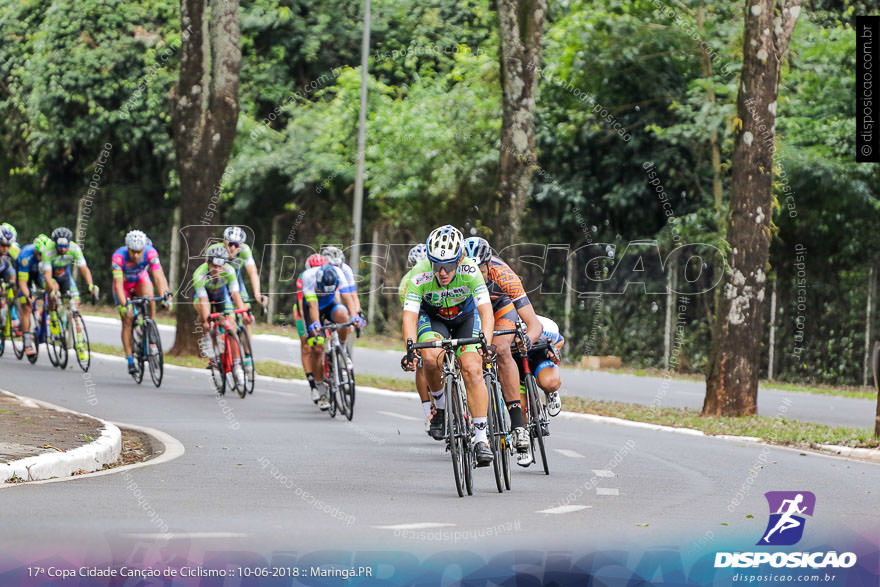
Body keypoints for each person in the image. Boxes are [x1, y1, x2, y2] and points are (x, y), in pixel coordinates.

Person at [401, 225, 496, 466]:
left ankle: (481, 438)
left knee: (473, 368)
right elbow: (410, 317)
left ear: (460, 259)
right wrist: (410, 349)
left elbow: (486, 311)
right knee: (430, 357)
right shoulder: (419, 274)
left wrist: (486, 343)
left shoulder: (470, 270)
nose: (442, 272)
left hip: (466, 318)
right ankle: (441, 407)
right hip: (433, 318)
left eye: (449, 266)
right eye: (436, 265)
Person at [463, 236, 547, 457]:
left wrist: (527, 339)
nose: (475, 276)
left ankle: (518, 424)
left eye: (479, 270)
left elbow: (534, 324)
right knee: (469, 356)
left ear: (489, 265)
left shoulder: (504, 275)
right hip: (472, 311)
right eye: (469, 269)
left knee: (501, 350)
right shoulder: (457, 276)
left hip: (500, 308)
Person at [111, 230, 172, 375]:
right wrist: (124, 305)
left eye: (140, 251)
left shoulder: (151, 252)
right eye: (133, 252)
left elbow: (159, 276)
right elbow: (118, 284)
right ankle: (130, 359)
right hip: (124, 285)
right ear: (128, 248)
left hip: (139, 280)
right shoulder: (118, 257)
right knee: (127, 320)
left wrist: (166, 295)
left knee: (149, 295)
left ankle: (150, 325)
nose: (137, 255)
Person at [194, 244, 252, 388]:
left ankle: (238, 367)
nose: (218, 270)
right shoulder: (199, 274)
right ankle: (210, 347)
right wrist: (208, 319)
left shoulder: (230, 270)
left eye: (221, 266)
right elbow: (204, 301)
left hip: (222, 296)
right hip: (204, 297)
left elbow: (235, 294)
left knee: (230, 325)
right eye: (214, 266)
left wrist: (243, 312)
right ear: (208, 262)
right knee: (205, 320)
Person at [301, 262, 355, 410]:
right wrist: (317, 324)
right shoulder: (309, 277)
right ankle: (321, 391)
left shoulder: (338, 273)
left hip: (330, 304)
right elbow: (313, 306)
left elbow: (347, 296)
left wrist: (355, 316)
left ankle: (342, 350)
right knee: (317, 348)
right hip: (312, 307)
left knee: (344, 317)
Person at [398, 243, 436, 437]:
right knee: (422, 361)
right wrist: (412, 349)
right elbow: (410, 315)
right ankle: (428, 412)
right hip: (422, 316)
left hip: (443, 312)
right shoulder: (407, 283)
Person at [41, 228, 99, 333]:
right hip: (51, 276)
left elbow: (84, 269)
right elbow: (47, 276)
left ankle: (79, 341)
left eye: (65, 246)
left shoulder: (74, 248)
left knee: (75, 304)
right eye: (60, 247)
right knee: (53, 290)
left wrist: (90, 285)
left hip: (65, 276)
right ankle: (53, 315)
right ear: (55, 244)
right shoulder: (48, 251)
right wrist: (53, 291)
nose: (63, 250)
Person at [294, 253, 329, 402]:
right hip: (305, 310)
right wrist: (307, 332)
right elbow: (302, 306)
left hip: (322, 307)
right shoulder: (303, 277)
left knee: (322, 343)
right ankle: (313, 385)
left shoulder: (329, 274)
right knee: (307, 345)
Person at [16, 234, 51, 356]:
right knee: (27, 306)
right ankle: (27, 343)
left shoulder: (49, 255)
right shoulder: (26, 255)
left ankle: (43, 320)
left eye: (44, 254)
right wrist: (28, 296)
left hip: (38, 274)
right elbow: (22, 282)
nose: (42, 257)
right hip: (25, 275)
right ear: (36, 250)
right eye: (40, 254)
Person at [223, 226, 266, 320]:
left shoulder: (245, 250)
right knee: (228, 317)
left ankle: (247, 333)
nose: (233, 248)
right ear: (225, 242)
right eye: (230, 244)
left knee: (247, 314)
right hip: (221, 283)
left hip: (236, 280)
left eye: (237, 245)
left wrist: (257, 293)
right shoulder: (218, 251)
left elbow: (253, 272)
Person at [320, 246, 366, 330]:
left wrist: (357, 314)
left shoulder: (346, 270)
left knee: (349, 311)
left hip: (342, 290)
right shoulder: (319, 269)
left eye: (338, 265)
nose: (336, 268)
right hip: (326, 294)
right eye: (332, 265)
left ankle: (342, 341)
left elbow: (353, 295)